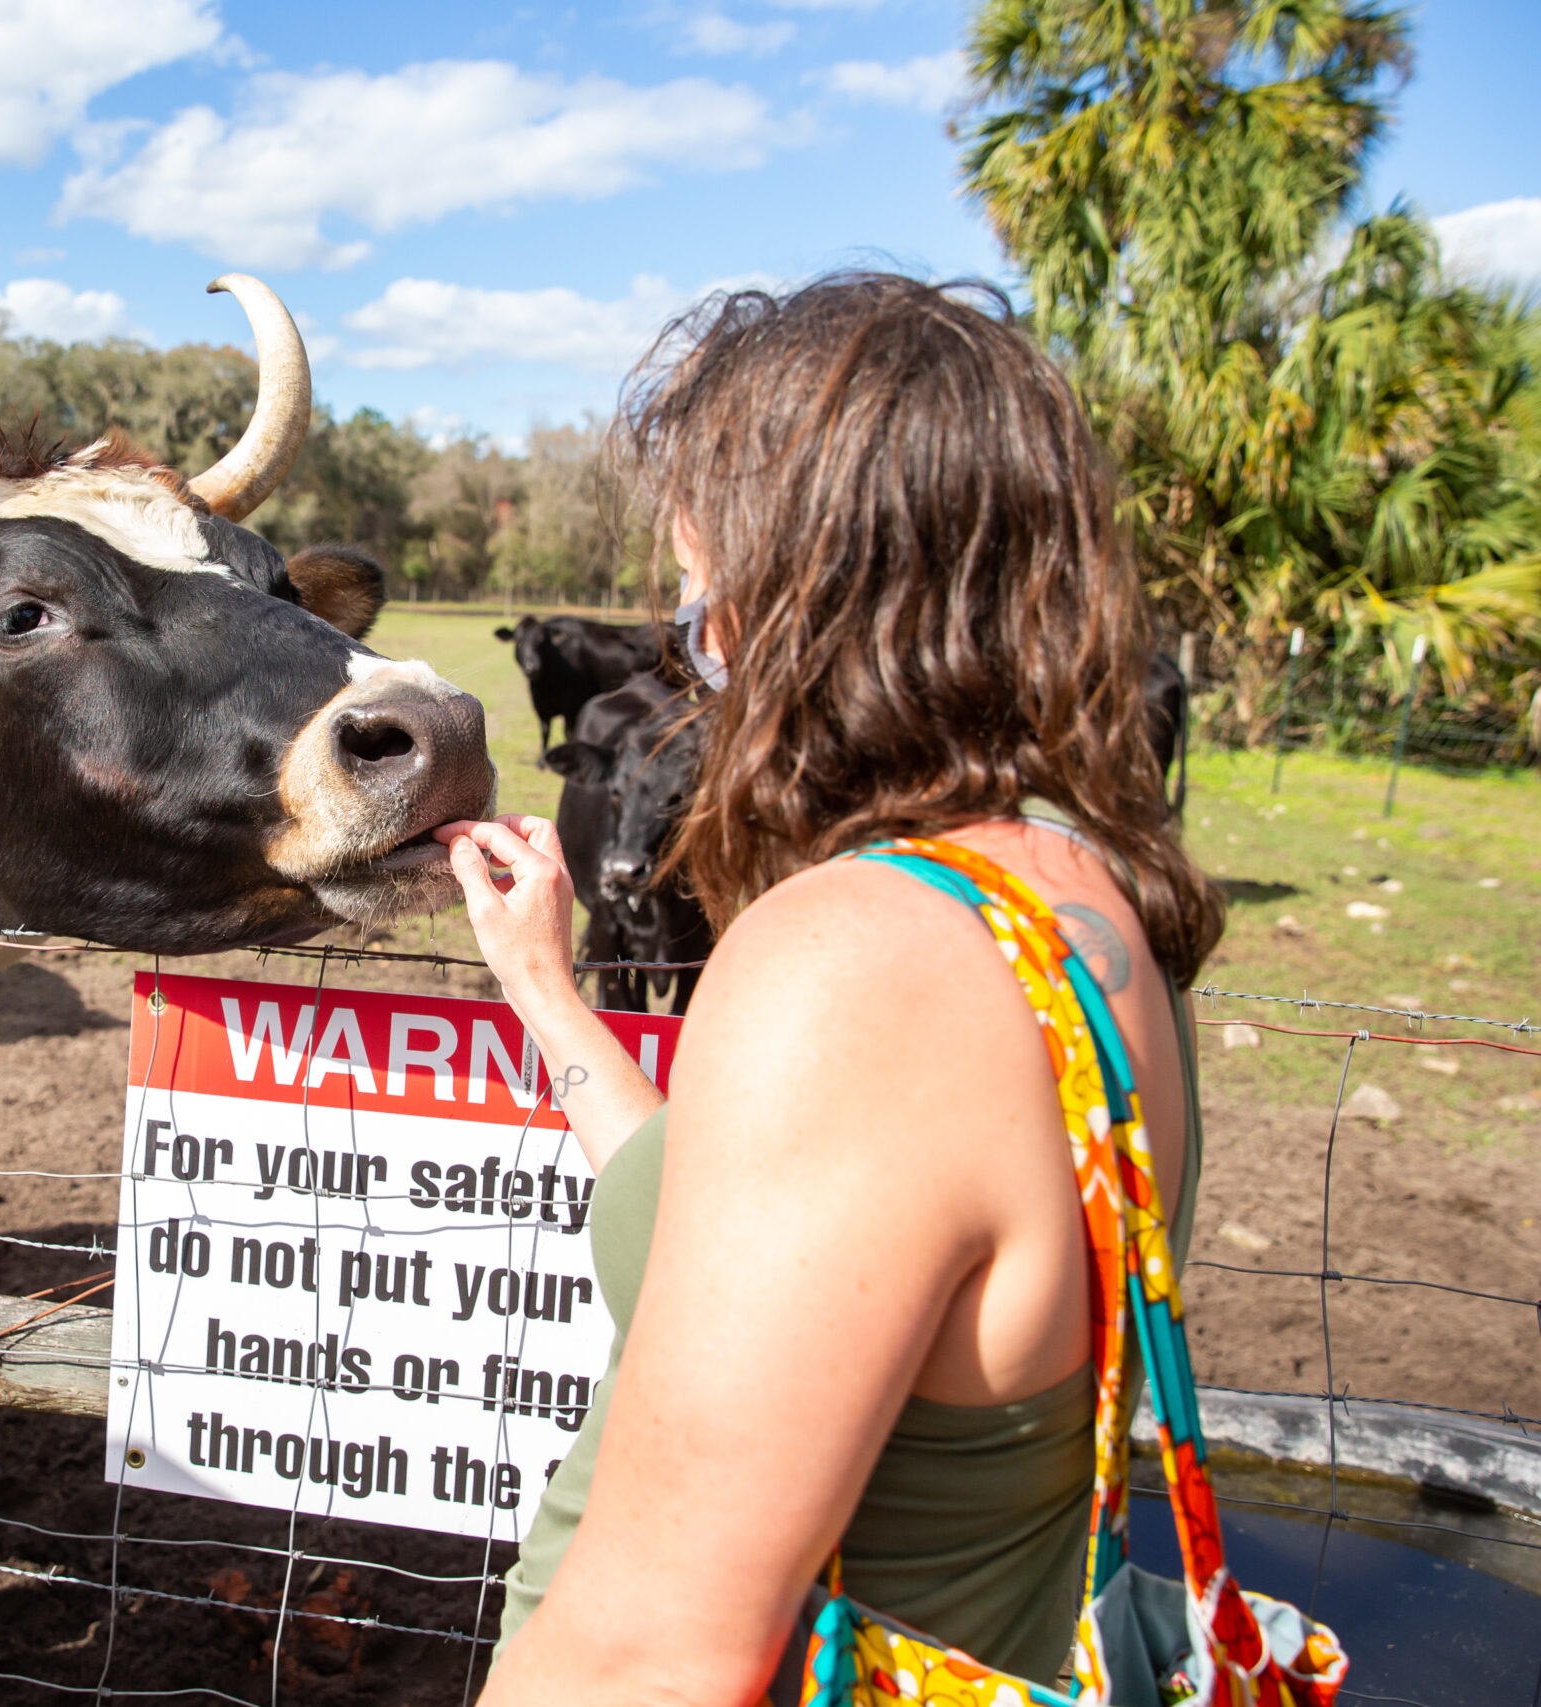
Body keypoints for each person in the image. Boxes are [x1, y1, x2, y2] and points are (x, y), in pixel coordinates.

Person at [438, 275, 1222, 1704]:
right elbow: (759, 1216)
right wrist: (546, 989)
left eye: (700, 575)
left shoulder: (863, 961)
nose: (696, 629)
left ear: (801, 590)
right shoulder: (1084, 907)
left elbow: (654, 1658)